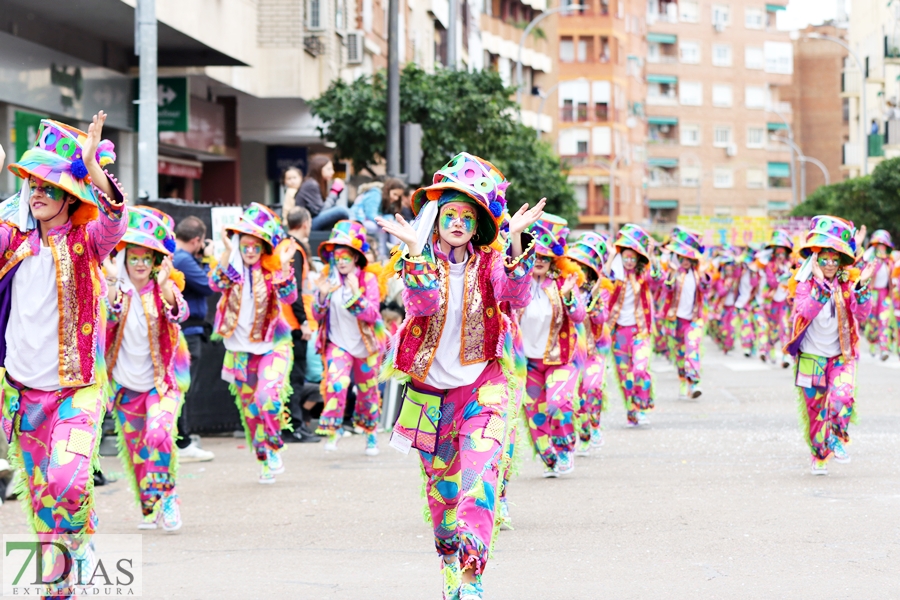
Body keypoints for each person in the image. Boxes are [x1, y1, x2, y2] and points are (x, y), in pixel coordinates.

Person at [377, 152, 544, 600]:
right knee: (444, 495)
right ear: (436, 220)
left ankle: (472, 577)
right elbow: (424, 304)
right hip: (430, 396)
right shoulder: (415, 261)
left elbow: (516, 293)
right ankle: (450, 558)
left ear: (477, 227)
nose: (457, 222)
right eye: (449, 214)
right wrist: (414, 251)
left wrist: (513, 241)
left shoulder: (489, 263)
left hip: (482, 388)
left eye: (466, 217)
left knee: (480, 479)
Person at [0, 114, 127, 586]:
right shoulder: (11, 239)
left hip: (77, 391)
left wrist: (91, 165)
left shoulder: (86, 242)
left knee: (68, 479)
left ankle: (81, 536)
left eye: (49, 188)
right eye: (32, 186)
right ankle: (59, 586)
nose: (37, 194)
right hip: (21, 392)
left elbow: (115, 216)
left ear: (69, 198)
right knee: (40, 501)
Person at [104, 207, 189, 531]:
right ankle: (149, 505)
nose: (140, 263)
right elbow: (107, 317)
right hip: (125, 388)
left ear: (156, 262)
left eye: (147, 258)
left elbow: (179, 315)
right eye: (134, 256)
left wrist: (166, 284)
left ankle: (168, 496)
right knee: (138, 453)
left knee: (159, 434)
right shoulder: (116, 291)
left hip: (161, 383)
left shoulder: (163, 290)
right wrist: (111, 278)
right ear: (125, 258)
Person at [209, 203, 297, 484]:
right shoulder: (231, 269)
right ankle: (264, 459)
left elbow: (290, 297)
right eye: (244, 245)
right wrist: (226, 249)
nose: (249, 251)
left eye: (254, 246)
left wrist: (283, 267)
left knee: (267, 399)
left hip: (273, 346)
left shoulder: (272, 271)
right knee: (250, 413)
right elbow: (214, 282)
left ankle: (274, 446)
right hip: (239, 352)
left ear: (262, 249)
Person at [784, 215, 874, 475]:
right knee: (815, 414)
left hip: (841, 355)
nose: (831, 263)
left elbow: (862, 313)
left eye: (836, 259)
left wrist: (862, 289)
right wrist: (820, 286)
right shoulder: (803, 284)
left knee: (842, 396)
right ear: (815, 258)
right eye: (825, 258)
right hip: (811, 358)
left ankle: (836, 436)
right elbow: (804, 311)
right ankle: (819, 454)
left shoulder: (848, 282)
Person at [312, 220, 387, 454]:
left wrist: (356, 294)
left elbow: (373, 315)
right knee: (336, 383)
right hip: (337, 344)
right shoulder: (327, 280)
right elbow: (316, 315)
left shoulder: (368, 280)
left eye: (346, 255)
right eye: (337, 255)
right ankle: (333, 431)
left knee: (368, 392)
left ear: (356, 257)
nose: (341, 260)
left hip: (366, 346)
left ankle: (370, 433)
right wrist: (322, 297)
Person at [519, 214, 585, 477]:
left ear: (553, 261)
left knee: (559, 404)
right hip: (528, 363)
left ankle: (566, 449)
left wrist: (569, 296)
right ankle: (549, 457)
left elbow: (579, 316)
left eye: (545, 257)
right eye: (534, 255)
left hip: (560, 359)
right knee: (535, 414)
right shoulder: (517, 283)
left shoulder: (563, 283)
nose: (539, 261)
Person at [604, 224, 659, 427]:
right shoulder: (615, 277)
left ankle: (643, 404)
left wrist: (651, 255)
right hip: (618, 332)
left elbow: (658, 278)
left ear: (637, 259)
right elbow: (603, 279)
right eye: (625, 257)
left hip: (640, 331)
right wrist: (611, 256)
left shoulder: (642, 277)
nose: (628, 261)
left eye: (632, 258)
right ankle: (632, 410)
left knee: (639, 368)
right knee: (624, 374)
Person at [171, 216, 216, 462]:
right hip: (187, 333)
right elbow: (209, 285)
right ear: (197, 240)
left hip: (186, 331)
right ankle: (183, 441)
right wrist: (208, 258)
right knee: (183, 388)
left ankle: (181, 439)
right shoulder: (183, 259)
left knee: (181, 387)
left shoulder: (177, 256)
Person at [567, 232, 612, 454]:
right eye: (575, 266)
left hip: (594, 351)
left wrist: (592, 300)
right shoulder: (563, 288)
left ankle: (594, 425)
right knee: (574, 396)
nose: (579, 272)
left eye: (584, 268)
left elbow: (601, 319)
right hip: (569, 354)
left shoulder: (600, 291)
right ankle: (583, 432)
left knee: (592, 387)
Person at [282, 207, 320, 443]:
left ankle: (291, 425)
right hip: (293, 324)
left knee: (289, 378)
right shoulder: (294, 249)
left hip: (286, 323)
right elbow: (294, 289)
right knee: (294, 379)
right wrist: (303, 321)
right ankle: (293, 426)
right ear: (306, 223)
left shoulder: (285, 246)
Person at [659, 228, 710, 400]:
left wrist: (704, 274)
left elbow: (705, 289)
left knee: (692, 348)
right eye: (683, 257)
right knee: (680, 353)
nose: (686, 261)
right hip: (676, 320)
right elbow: (666, 289)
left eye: (690, 258)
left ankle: (694, 382)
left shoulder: (698, 275)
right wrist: (672, 273)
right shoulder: (674, 273)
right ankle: (683, 381)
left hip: (694, 319)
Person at [759, 230, 795, 368]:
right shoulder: (770, 266)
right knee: (773, 329)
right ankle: (769, 350)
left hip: (785, 303)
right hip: (772, 302)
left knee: (785, 327)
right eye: (778, 253)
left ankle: (785, 356)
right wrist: (781, 278)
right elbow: (772, 282)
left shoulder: (790, 265)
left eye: (783, 253)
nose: (780, 256)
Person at [861, 230, 896, 361]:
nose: (881, 247)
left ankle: (883, 349)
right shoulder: (870, 260)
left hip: (884, 295)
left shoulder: (890, 261)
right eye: (878, 245)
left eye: (883, 245)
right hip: (872, 293)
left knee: (884, 321)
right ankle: (872, 345)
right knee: (872, 322)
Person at [296, 155, 350, 230]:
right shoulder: (311, 184)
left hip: (311, 222)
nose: (332, 172)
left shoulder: (317, 183)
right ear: (319, 169)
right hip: (307, 225)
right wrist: (334, 192)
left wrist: (336, 193)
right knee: (342, 210)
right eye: (329, 169)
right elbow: (323, 211)